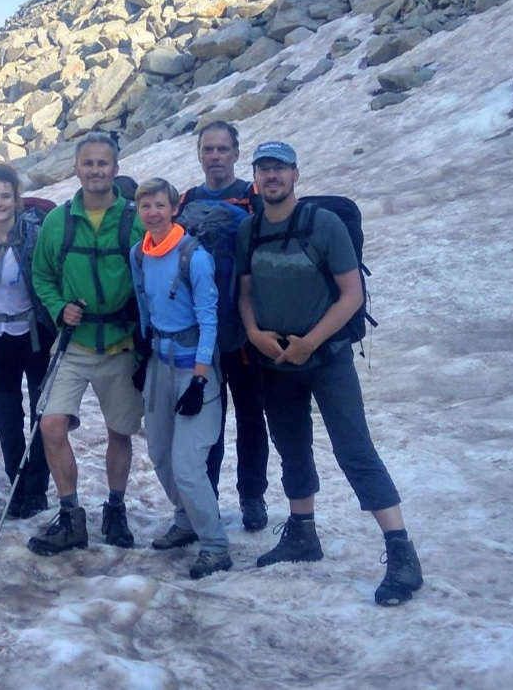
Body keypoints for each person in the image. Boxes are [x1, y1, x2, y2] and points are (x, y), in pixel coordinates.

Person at [236, 140, 423, 606]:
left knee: (354, 449)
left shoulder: (325, 225)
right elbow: (244, 291)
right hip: (275, 359)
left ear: (296, 174)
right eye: (264, 169)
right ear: (256, 178)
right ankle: (302, 532)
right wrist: (255, 333)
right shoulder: (250, 230)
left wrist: (310, 342)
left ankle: (401, 552)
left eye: (279, 168)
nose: (271, 177)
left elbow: (350, 294)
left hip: (326, 358)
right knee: (291, 447)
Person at [26, 132, 144, 555]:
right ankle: (71, 514)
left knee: (120, 430)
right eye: (88, 163)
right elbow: (41, 275)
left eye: (103, 163)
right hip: (73, 343)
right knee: (51, 425)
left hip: (121, 343)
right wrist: (59, 308)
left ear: (115, 167)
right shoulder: (59, 221)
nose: (95, 170)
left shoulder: (134, 218)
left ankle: (115, 507)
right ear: (76, 168)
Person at [130, 178, 232, 580]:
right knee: (159, 452)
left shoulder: (195, 256)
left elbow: (209, 320)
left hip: (194, 368)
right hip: (159, 360)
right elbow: (146, 305)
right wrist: (144, 356)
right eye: (145, 206)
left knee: (188, 464)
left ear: (174, 208)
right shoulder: (139, 253)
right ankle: (187, 519)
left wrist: (201, 379)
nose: (153, 213)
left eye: (160, 205)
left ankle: (215, 545)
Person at [180, 120, 270, 532]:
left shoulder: (258, 199)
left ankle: (252, 497)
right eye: (208, 150)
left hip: (246, 331)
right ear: (199, 155)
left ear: (236, 153)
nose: (215, 157)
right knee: (208, 422)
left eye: (222, 149)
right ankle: (207, 498)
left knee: (251, 417)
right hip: (203, 336)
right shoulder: (185, 201)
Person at [0, 164, 54, 520]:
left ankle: (36, 490)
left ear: (17, 199)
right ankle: (16, 485)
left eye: (5, 196)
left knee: (41, 416)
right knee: (5, 415)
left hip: (36, 336)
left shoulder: (34, 235)